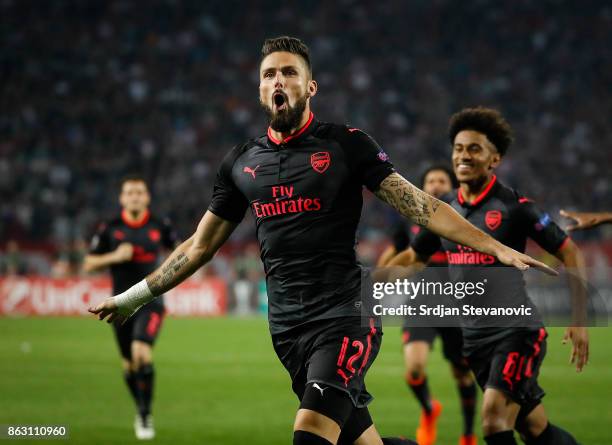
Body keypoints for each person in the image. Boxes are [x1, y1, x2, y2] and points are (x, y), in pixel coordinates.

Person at [89, 37, 554, 445]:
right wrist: (134, 298)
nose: (279, 80)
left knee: (310, 433)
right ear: (259, 89)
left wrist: (493, 245)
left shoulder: (346, 145)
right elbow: (198, 247)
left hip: (346, 317)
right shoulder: (240, 162)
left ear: (310, 87)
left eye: (290, 72)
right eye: (269, 73)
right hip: (287, 330)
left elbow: (422, 206)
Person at [390, 107, 589, 445]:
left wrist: (580, 320)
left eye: (474, 149)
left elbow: (570, 251)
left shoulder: (516, 207)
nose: (463, 156)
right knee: (534, 427)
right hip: (475, 341)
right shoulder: (444, 210)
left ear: (494, 159)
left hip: (516, 333)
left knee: (495, 422)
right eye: (458, 148)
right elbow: (414, 256)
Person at [378, 165, 477, 445]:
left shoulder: (464, 219)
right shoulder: (409, 218)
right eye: (430, 180)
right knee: (414, 368)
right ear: (421, 186)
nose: (435, 185)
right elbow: (395, 251)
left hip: (458, 307)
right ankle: (429, 409)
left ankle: (468, 435)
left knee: (462, 373)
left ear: (453, 184)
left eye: (441, 180)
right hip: (420, 304)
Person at [84, 175, 178, 440]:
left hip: (151, 302)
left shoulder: (161, 225)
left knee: (141, 353)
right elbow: (89, 263)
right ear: (122, 198)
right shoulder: (109, 228)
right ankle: (140, 408)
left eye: (139, 192)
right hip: (119, 306)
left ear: (147, 197)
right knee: (128, 366)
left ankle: (145, 416)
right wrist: (115, 256)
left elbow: (180, 252)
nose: (135, 196)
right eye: (130, 193)